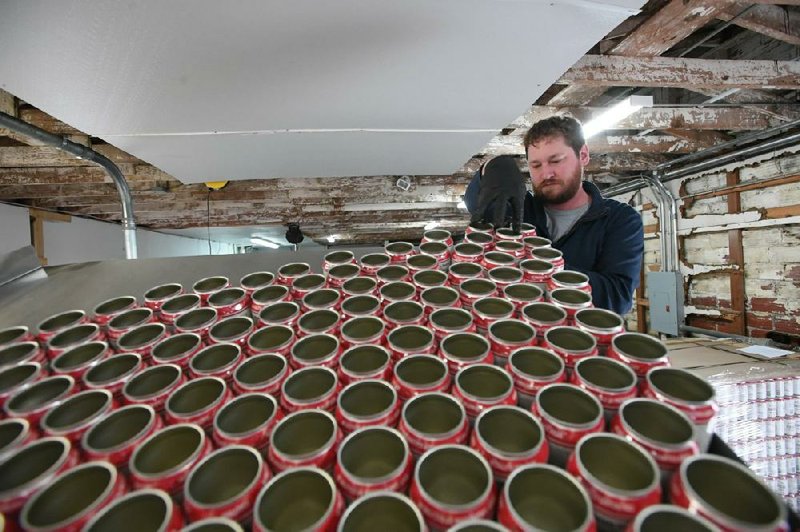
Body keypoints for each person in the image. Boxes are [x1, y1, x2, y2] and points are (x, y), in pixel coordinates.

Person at [464, 115, 644, 315]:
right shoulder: (520, 209)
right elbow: (476, 204)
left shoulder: (618, 220)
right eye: (536, 165)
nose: (546, 174)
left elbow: (616, 298)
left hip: (580, 339)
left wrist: (543, 264)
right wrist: (492, 167)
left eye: (556, 160)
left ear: (583, 155)